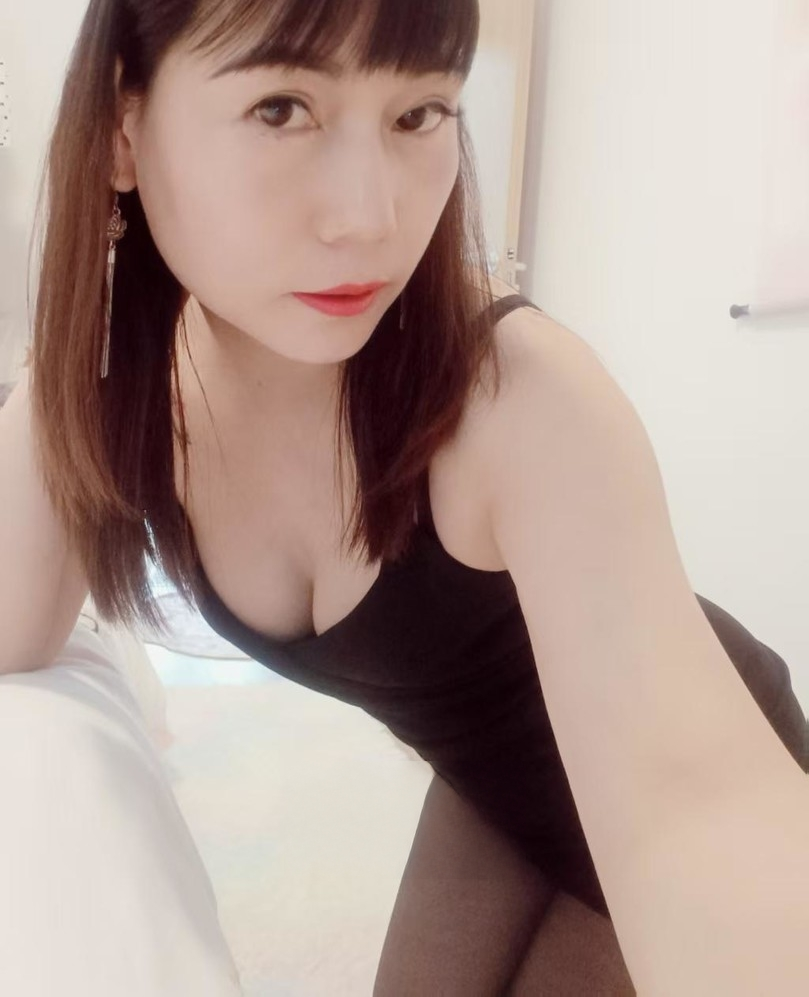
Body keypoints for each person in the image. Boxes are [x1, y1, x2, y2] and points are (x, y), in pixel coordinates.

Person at [7, 0, 809, 993]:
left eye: (418, 113)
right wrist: (68, 342)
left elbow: (697, 812)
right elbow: (11, 629)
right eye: (281, 108)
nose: (371, 218)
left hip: (659, 755)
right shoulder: (129, 392)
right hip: (488, 785)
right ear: (123, 129)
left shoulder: (513, 396)